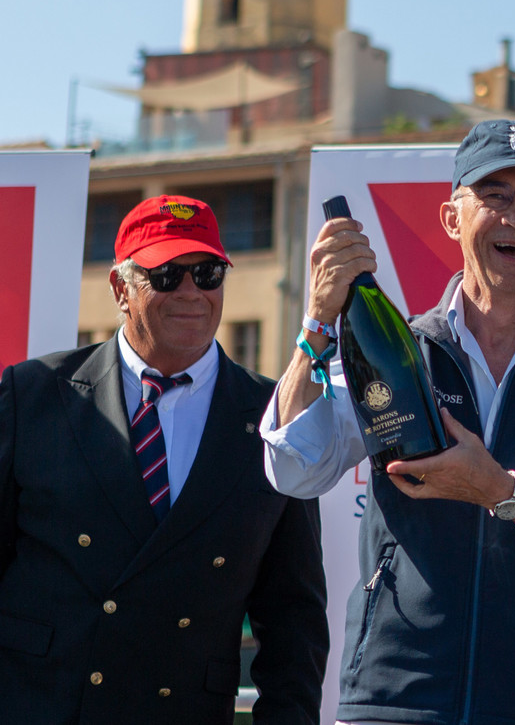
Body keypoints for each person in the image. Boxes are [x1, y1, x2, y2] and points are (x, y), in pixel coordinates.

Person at [263, 119, 515, 725]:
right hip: (393, 699)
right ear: (452, 218)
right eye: (496, 195)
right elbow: (294, 466)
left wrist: (501, 492)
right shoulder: (400, 349)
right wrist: (318, 322)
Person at [0, 195, 328, 724]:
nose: (193, 292)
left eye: (208, 272)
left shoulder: (275, 415)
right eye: (168, 275)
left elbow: (294, 619)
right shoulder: (34, 394)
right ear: (120, 290)